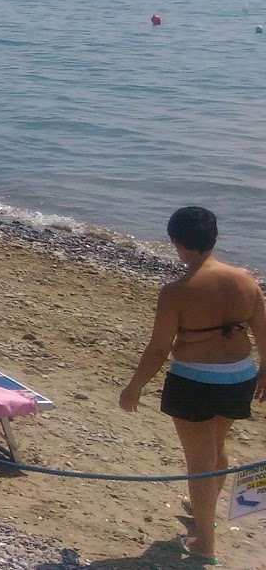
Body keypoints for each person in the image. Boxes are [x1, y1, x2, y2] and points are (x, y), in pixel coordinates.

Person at [120, 206, 265, 564]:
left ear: (177, 243)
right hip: (239, 376)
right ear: (214, 239)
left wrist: (134, 386)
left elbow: (158, 348)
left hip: (194, 381)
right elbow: (264, 334)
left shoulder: (177, 291)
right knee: (217, 444)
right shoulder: (247, 280)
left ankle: (204, 544)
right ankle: (204, 510)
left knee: (199, 461)